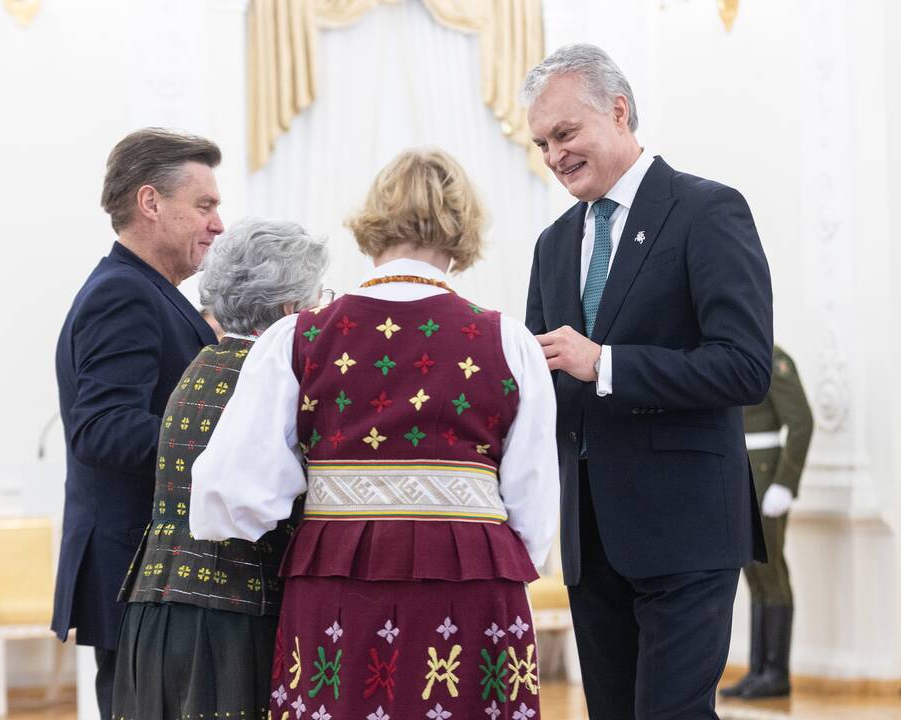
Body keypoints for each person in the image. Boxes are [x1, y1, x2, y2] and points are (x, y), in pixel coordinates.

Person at [190, 148, 560, 720]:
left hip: (337, 581)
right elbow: (532, 507)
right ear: (463, 226)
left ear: (372, 221)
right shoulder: (508, 341)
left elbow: (229, 490)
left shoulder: (297, 337)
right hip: (473, 586)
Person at [521, 44, 773, 719]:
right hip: (590, 539)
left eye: (565, 134)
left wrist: (606, 363)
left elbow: (744, 366)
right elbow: (545, 383)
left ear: (619, 111)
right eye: (542, 143)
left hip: (686, 530)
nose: (553, 156)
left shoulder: (707, 211)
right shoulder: (551, 243)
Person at [111, 218, 329, 719]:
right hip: (228, 620)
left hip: (155, 614)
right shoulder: (269, 379)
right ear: (290, 310)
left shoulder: (204, 363)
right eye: (321, 298)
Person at [51, 128, 223, 720]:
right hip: (139, 573)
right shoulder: (123, 293)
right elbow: (102, 428)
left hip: (152, 570)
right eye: (204, 206)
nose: (217, 224)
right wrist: (228, 447)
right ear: (151, 203)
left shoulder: (149, 291)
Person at [721, 345, 813, 699]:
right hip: (743, 475)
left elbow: (802, 422)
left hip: (765, 478)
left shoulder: (774, 358)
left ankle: (776, 672)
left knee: (771, 573)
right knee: (755, 575)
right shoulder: (736, 353)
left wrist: (786, 483)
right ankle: (759, 669)